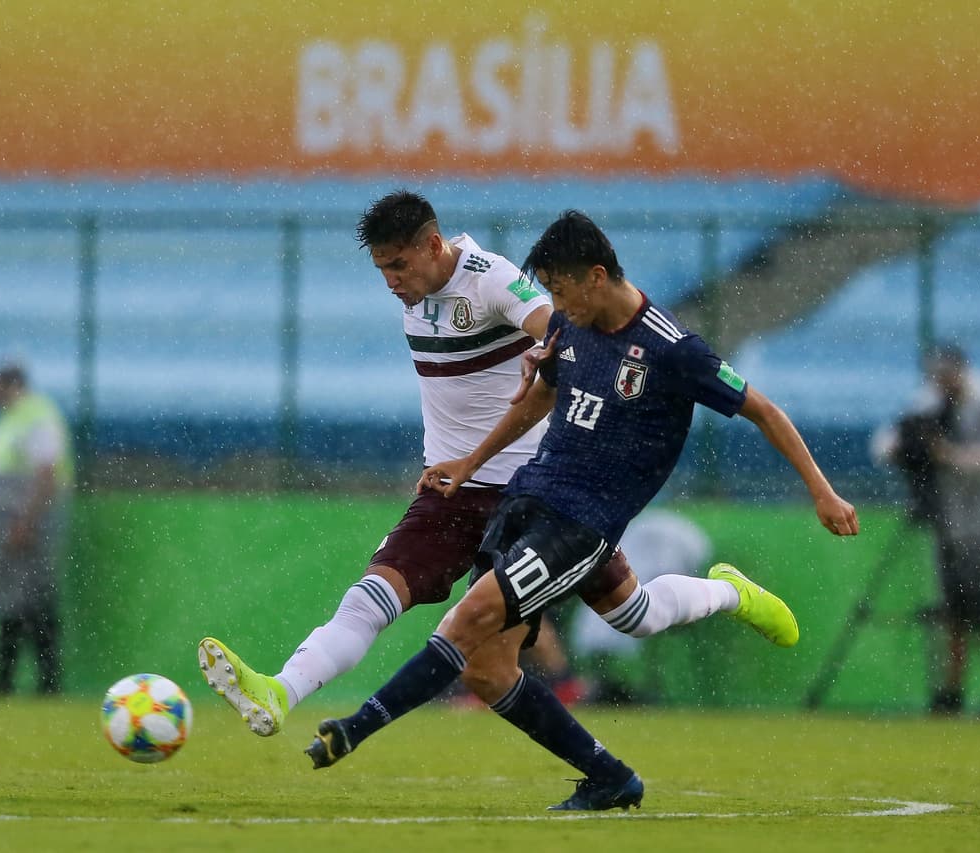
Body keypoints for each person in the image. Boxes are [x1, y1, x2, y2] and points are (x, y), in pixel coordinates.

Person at [198, 193, 799, 810]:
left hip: (538, 493)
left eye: (399, 266)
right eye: (381, 270)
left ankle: (730, 592)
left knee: (632, 614)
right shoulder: (416, 299)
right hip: (454, 490)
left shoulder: (491, 278)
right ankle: (280, 690)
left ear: (434, 246)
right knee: (393, 607)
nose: (391, 282)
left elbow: (555, 321)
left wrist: (548, 347)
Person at [871, 343, 980, 715]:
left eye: (946, 376)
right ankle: (952, 690)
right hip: (948, 523)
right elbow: (887, 443)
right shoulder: (929, 403)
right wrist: (906, 450)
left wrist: (947, 455)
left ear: (960, 372)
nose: (942, 383)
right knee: (953, 612)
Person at [0, 362, 74, 695]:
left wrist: (26, 522)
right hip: (10, 519)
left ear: (12, 385)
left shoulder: (36, 416)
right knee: (13, 601)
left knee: (33, 600)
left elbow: (47, 473)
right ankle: (8, 679)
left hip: (25, 519)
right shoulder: (13, 418)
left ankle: (43, 681)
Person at [569, 507, 713, 704]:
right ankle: (608, 688)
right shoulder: (644, 539)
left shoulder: (678, 539)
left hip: (642, 600)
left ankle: (613, 689)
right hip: (628, 601)